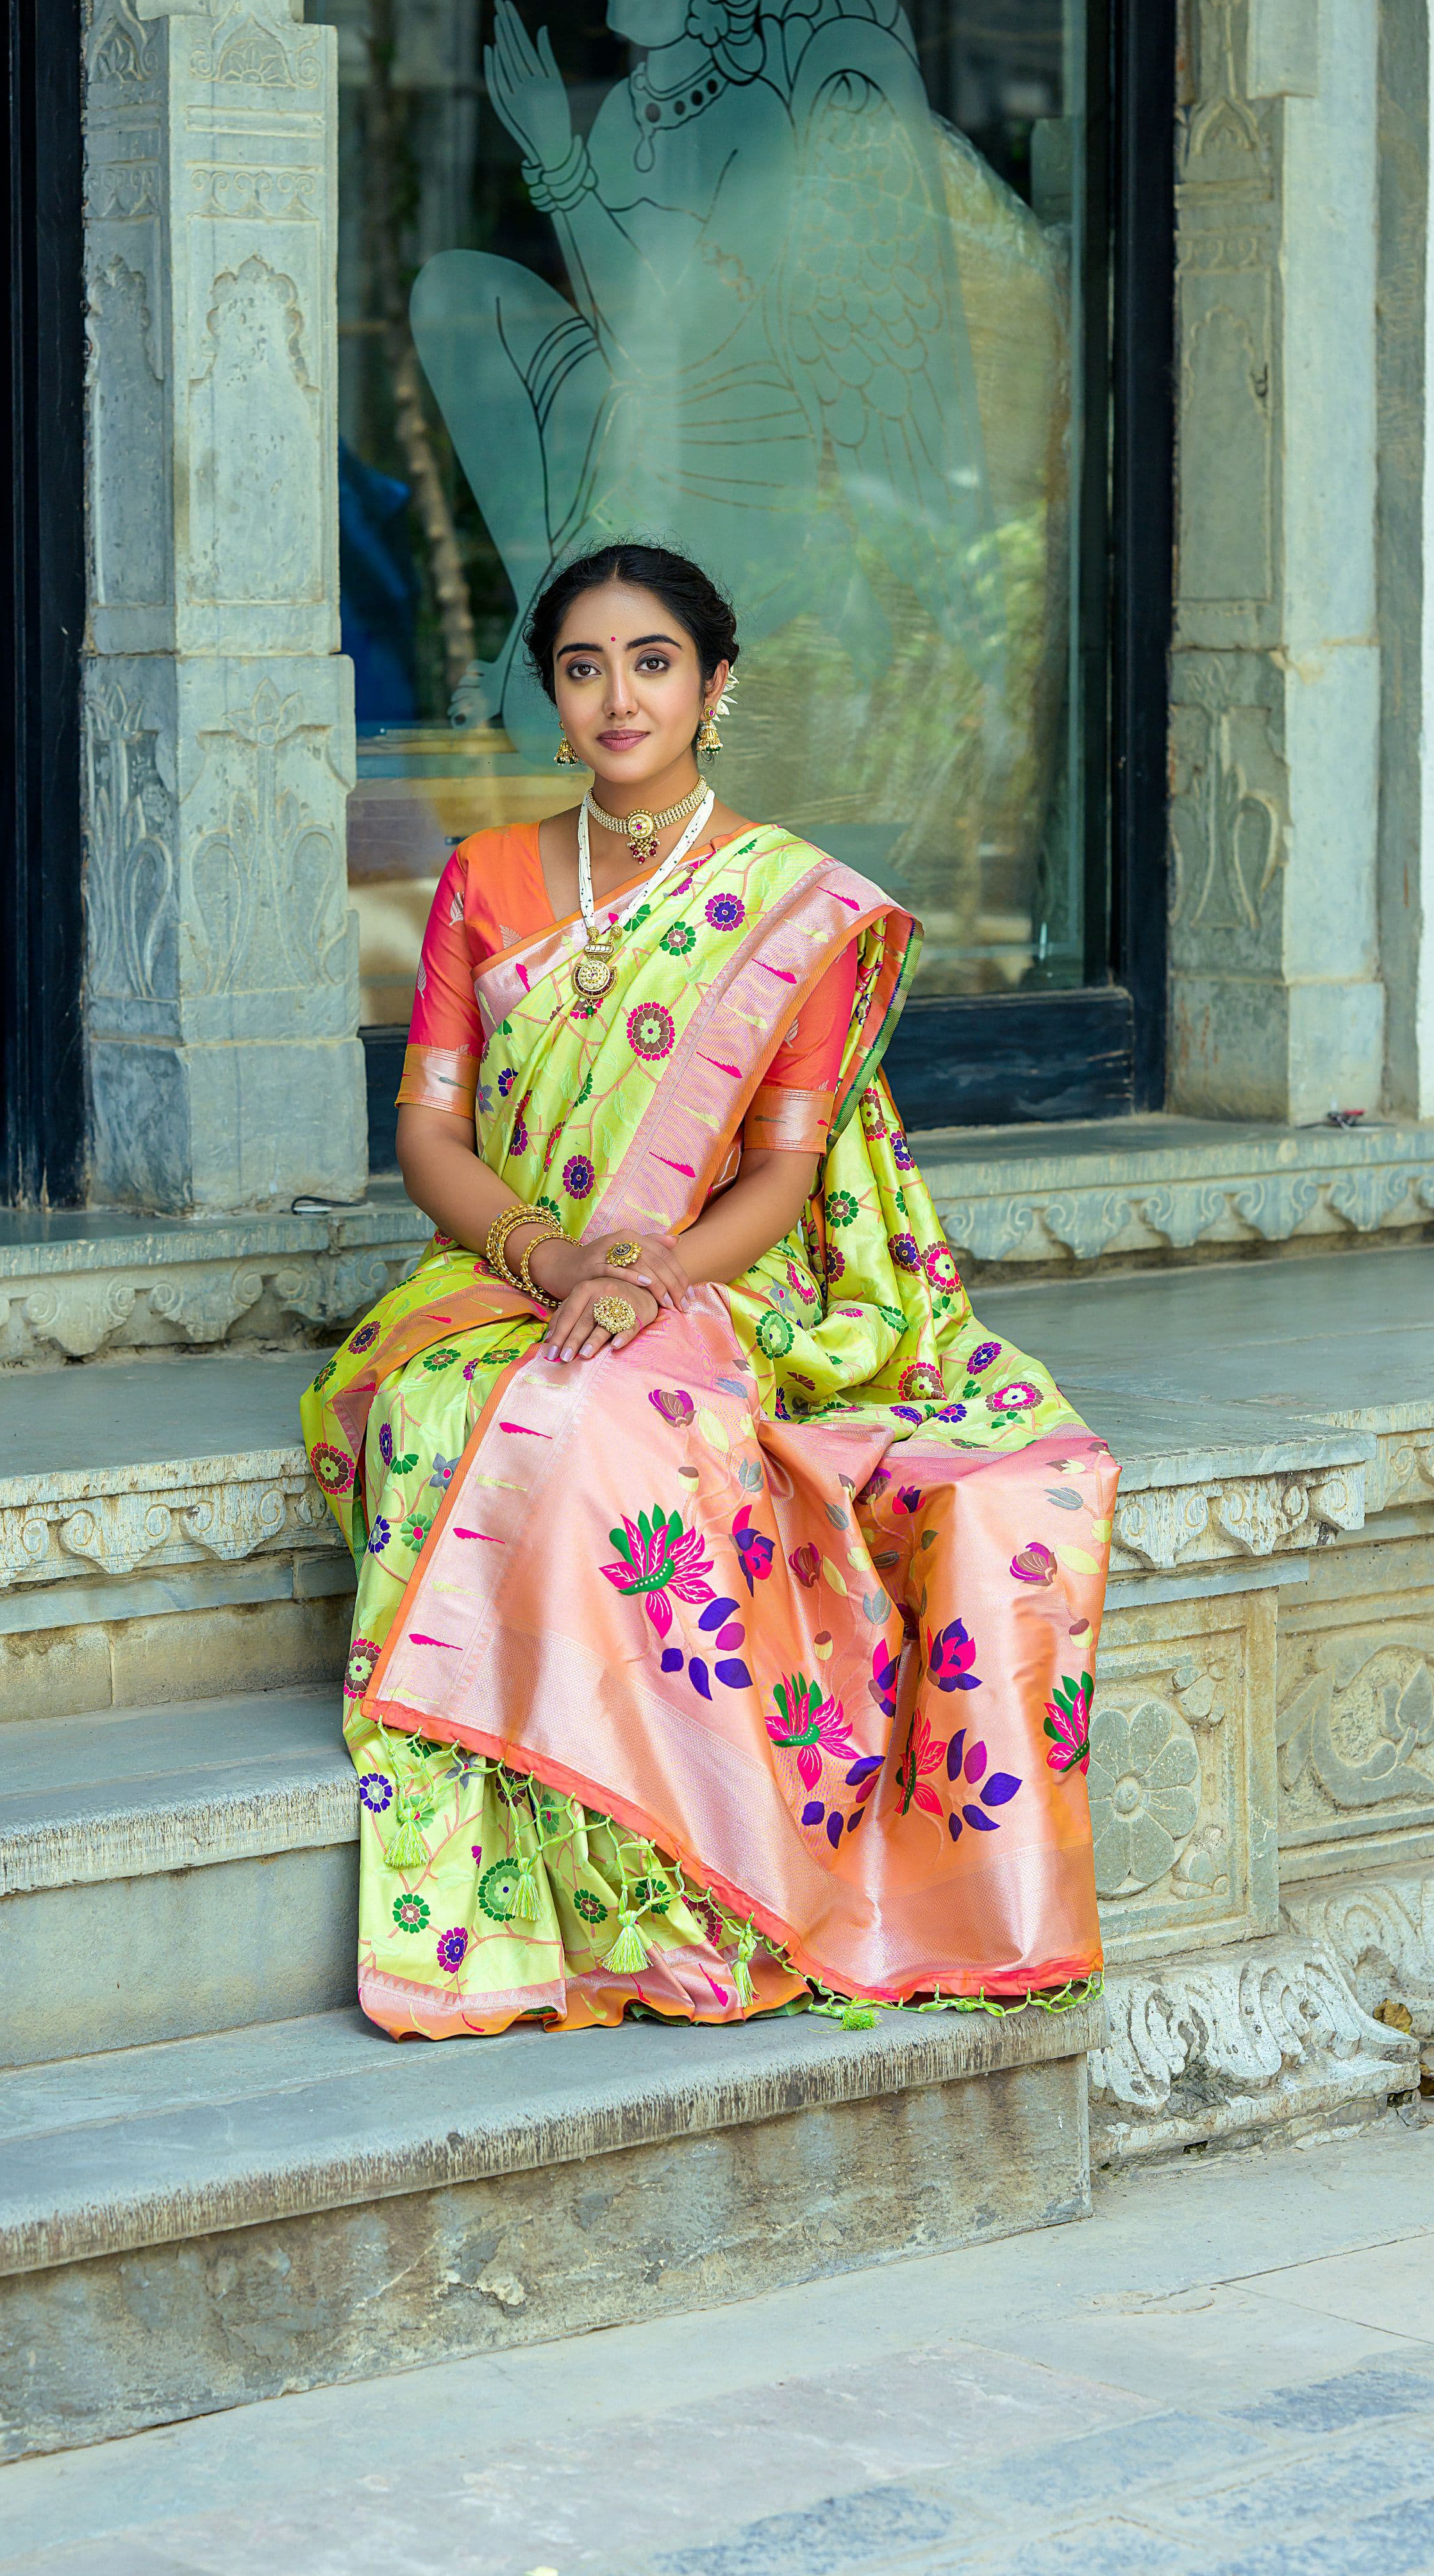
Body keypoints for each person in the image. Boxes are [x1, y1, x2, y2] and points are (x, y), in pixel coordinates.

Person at [302, 544, 1117, 2038]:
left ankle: (688, 1881)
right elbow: (427, 1131)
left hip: (713, 1278)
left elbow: (783, 1176)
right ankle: (575, 1866)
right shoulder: (483, 879)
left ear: (714, 686)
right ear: (549, 696)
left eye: (653, 661)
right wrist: (548, 1259)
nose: (620, 695)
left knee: (620, 1419)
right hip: (503, 1270)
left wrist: (653, 1275)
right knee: (453, 1404)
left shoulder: (788, 903)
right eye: (583, 666)